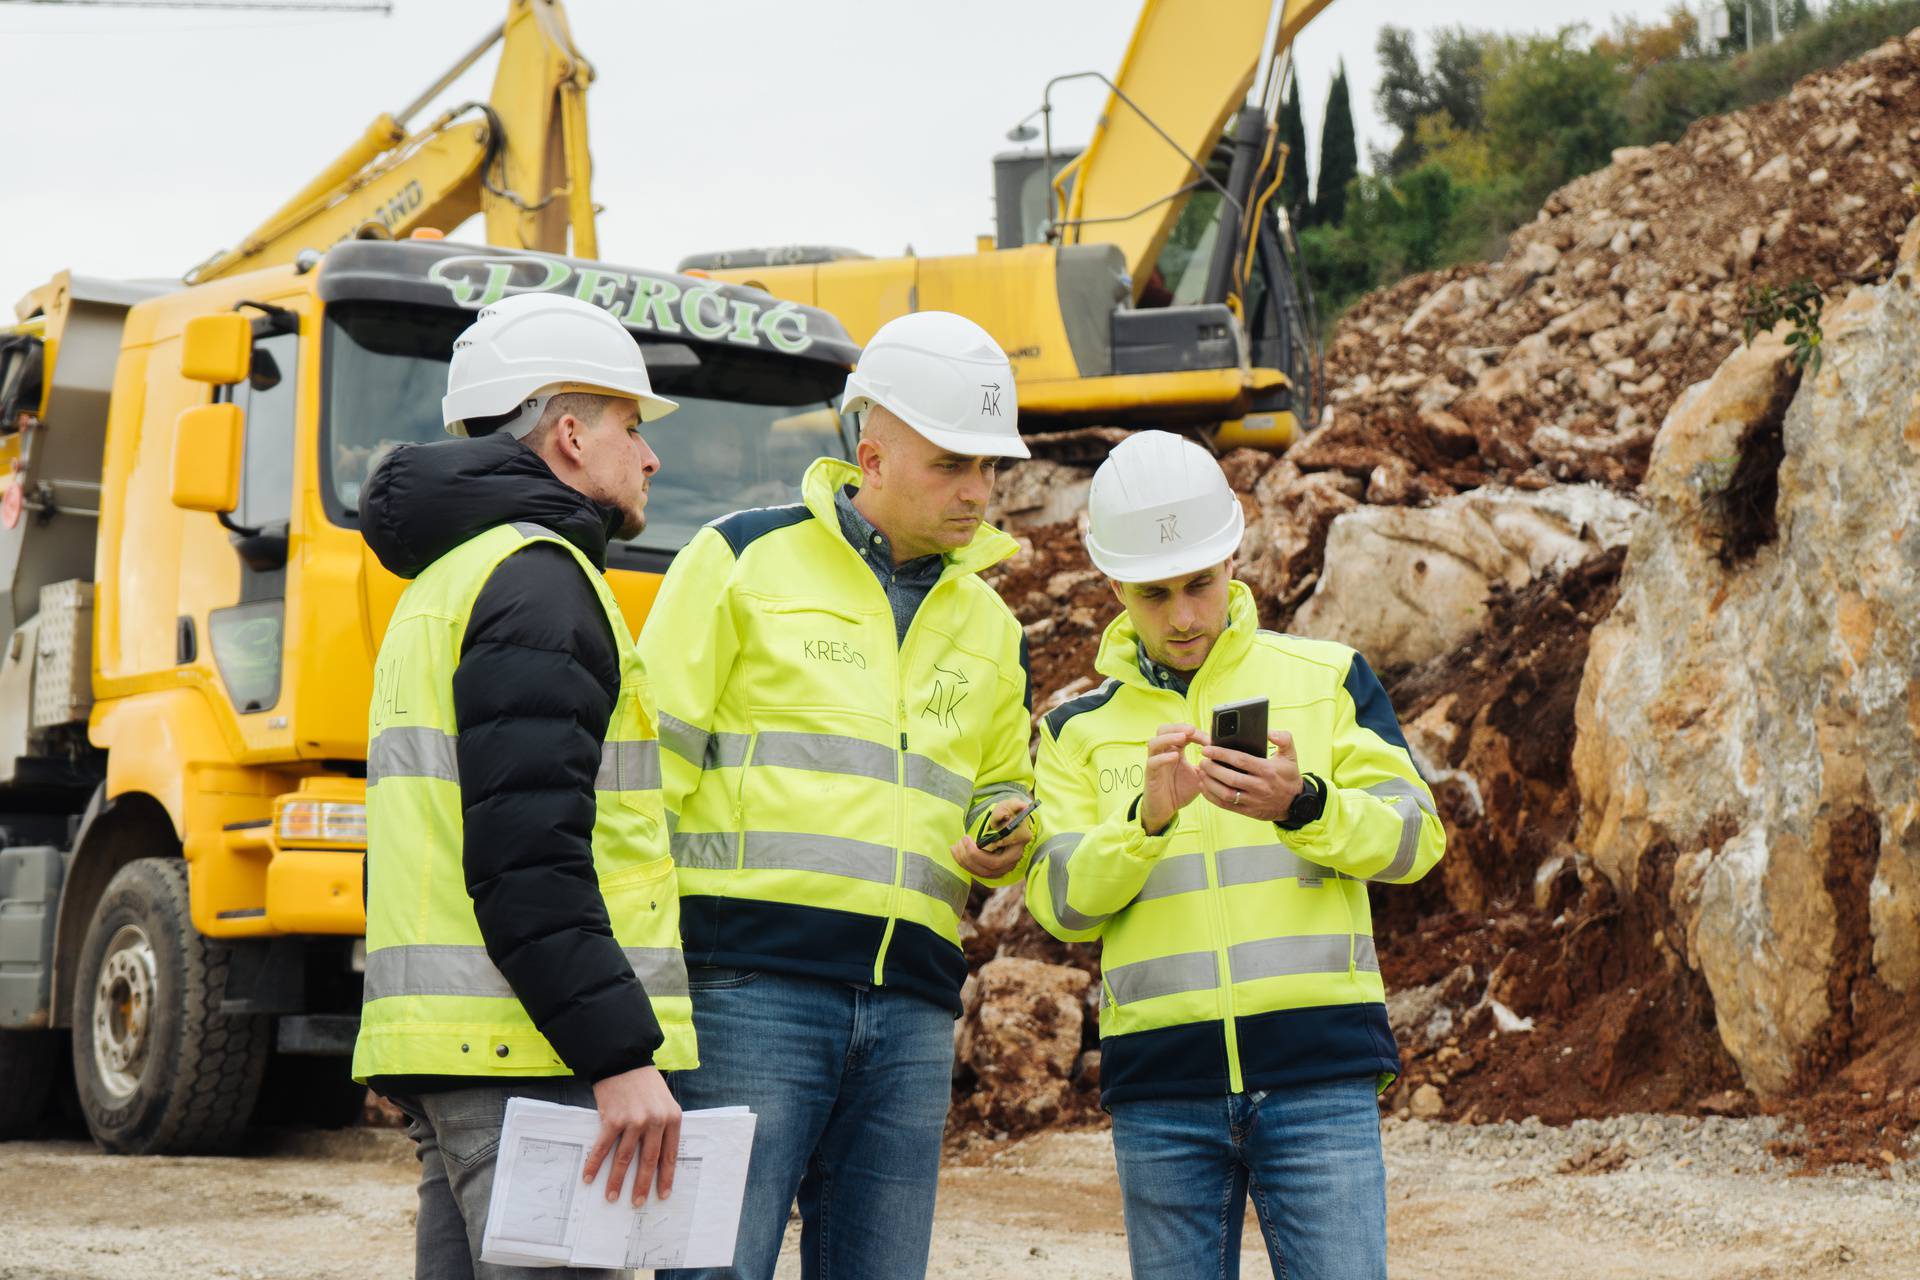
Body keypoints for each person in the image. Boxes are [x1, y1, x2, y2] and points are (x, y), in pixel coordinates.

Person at [641, 311, 1040, 1280]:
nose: (979, 492)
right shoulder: (738, 560)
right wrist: (634, 994)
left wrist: (1010, 836)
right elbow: (642, 783)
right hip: (748, 993)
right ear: (873, 453)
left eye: (992, 468)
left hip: (910, 1002)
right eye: (954, 464)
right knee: (712, 1268)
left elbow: (1005, 783)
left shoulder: (990, 622)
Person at [1025, 430, 1445, 1280]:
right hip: (1161, 1094)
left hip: (1319, 1076)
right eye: (1153, 594)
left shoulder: (1328, 680)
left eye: (1199, 585)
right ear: (1113, 585)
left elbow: (1416, 840)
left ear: (1232, 557)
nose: (1182, 616)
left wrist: (1307, 805)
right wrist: (1142, 823)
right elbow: (1061, 904)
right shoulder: (1075, 731)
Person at [351, 293, 698, 1279]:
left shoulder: (452, 579)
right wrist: (619, 1053)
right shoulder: (540, 580)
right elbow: (528, 850)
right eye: (632, 427)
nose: (651, 456)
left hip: (466, 1045)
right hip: (526, 1055)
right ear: (572, 433)